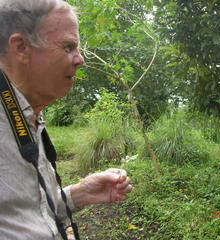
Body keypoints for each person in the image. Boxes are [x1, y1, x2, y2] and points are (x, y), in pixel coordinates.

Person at [0, 0, 133, 239]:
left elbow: (25, 210)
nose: (80, 59)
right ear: (21, 47)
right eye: (69, 47)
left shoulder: (27, 115)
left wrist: (79, 194)